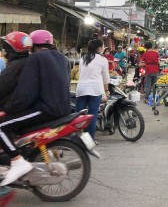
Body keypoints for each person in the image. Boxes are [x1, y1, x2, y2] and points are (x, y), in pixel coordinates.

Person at [0, 30, 70, 186]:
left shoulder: (35, 59)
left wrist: (9, 109)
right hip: (63, 108)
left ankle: (18, 161)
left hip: (46, 109)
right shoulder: (62, 58)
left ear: (33, 46)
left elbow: (26, 92)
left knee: (2, 125)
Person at [75, 39, 110, 141]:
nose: (104, 48)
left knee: (78, 116)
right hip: (95, 90)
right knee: (92, 116)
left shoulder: (83, 58)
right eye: (103, 46)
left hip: (81, 89)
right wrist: (106, 91)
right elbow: (106, 78)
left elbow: (81, 73)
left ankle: (77, 139)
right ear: (99, 48)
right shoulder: (102, 60)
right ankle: (90, 139)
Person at [0, 32, 32, 109]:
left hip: (12, 108)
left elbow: (2, 87)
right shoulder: (29, 60)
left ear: (11, 48)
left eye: (5, 47)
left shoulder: (14, 67)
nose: (3, 50)